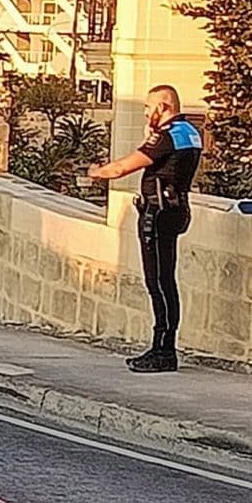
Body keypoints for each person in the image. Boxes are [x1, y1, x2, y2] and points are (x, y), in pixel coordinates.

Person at [89, 84, 203, 373]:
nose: (145, 113)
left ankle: (163, 350)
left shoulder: (168, 137)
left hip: (159, 213)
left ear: (164, 107)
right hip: (176, 210)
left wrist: (96, 172)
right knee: (165, 280)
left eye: (148, 107)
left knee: (158, 282)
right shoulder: (189, 132)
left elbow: (121, 168)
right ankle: (163, 347)